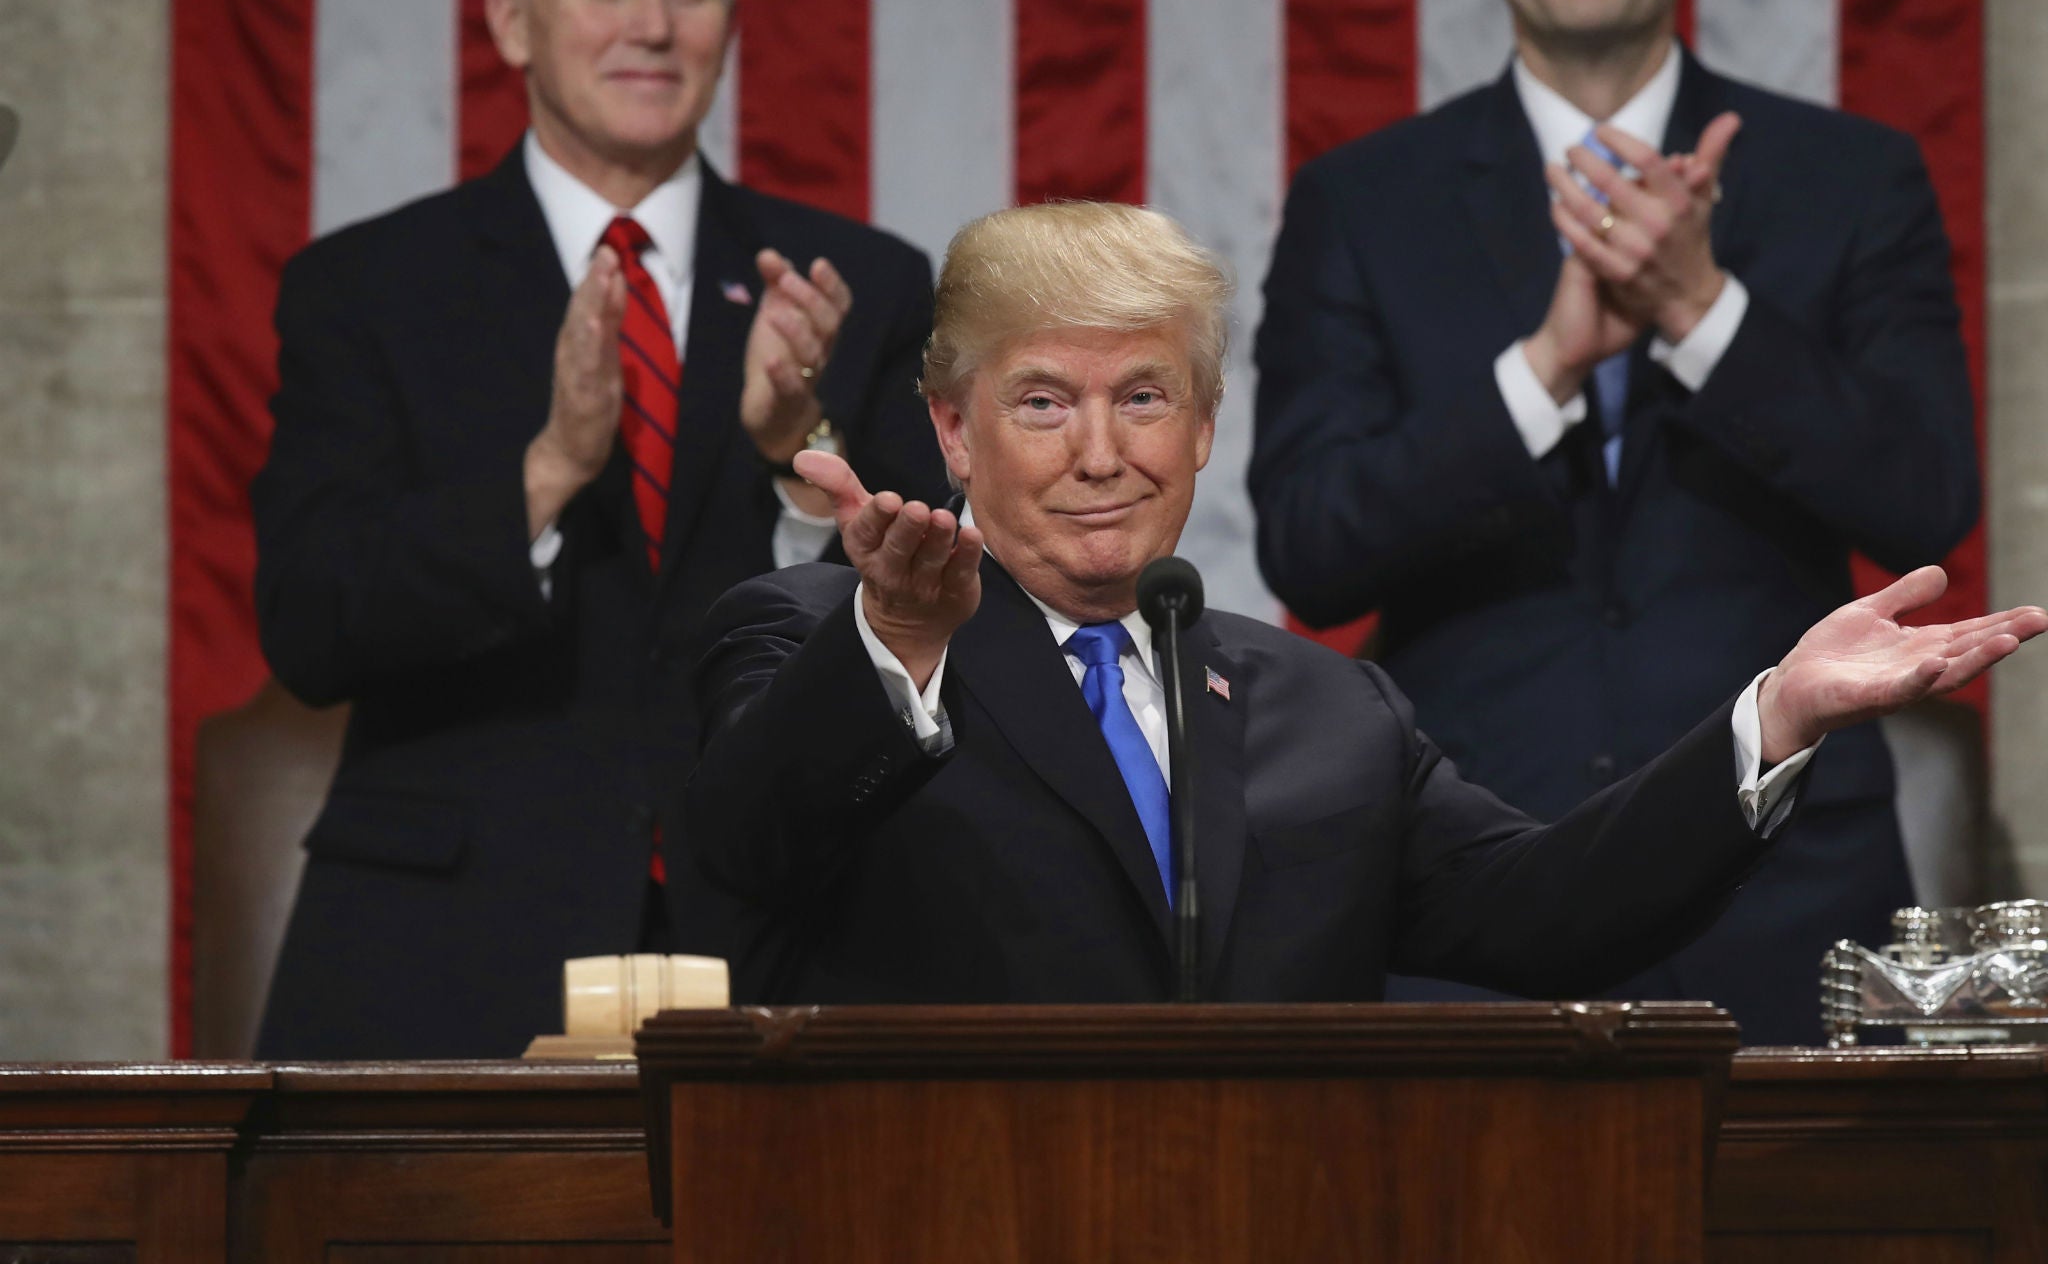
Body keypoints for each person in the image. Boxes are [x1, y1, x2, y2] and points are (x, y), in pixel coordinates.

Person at [684, 203, 2034, 1008]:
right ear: (954, 430)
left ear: (1205, 425)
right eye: (1044, 403)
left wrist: (1778, 714)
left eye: (1144, 397)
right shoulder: (817, 641)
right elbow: (739, 858)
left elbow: (1552, 910)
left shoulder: (1326, 708)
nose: (1102, 453)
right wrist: (898, 645)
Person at [1247, 0, 1980, 1042]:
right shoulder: (1364, 202)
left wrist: (1701, 311)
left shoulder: (1850, 177)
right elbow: (1313, 548)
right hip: (1464, 886)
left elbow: (1925, 501)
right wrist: (1545, 370)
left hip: (1785, 882)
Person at [251, 0, 947, 1056]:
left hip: (776, 938)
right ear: (513, 20)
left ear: (728, 22)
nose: (652, 26)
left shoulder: (860, 287)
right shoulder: (366, 288)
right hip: (448, 951)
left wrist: (800, 450)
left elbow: (930, 633)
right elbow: (311, 622)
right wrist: (546, 473)